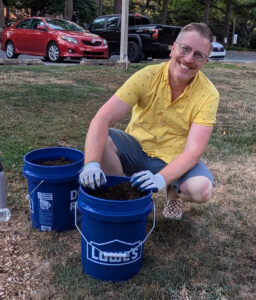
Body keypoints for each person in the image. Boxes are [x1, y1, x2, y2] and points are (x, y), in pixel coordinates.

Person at [79, 22, 219, 220]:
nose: (188, 59)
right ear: (173, 48)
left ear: (205, 61)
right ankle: (127, 195)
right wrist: (91, 164)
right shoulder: (147, 76)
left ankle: (173, 192)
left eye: (198, 55)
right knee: (103, 138)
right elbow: (102, 119)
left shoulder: (209, 94)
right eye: (185, 49)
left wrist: (161, 179)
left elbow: (193, 152)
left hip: (175, 156)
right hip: (137, 148)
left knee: (201, 189)